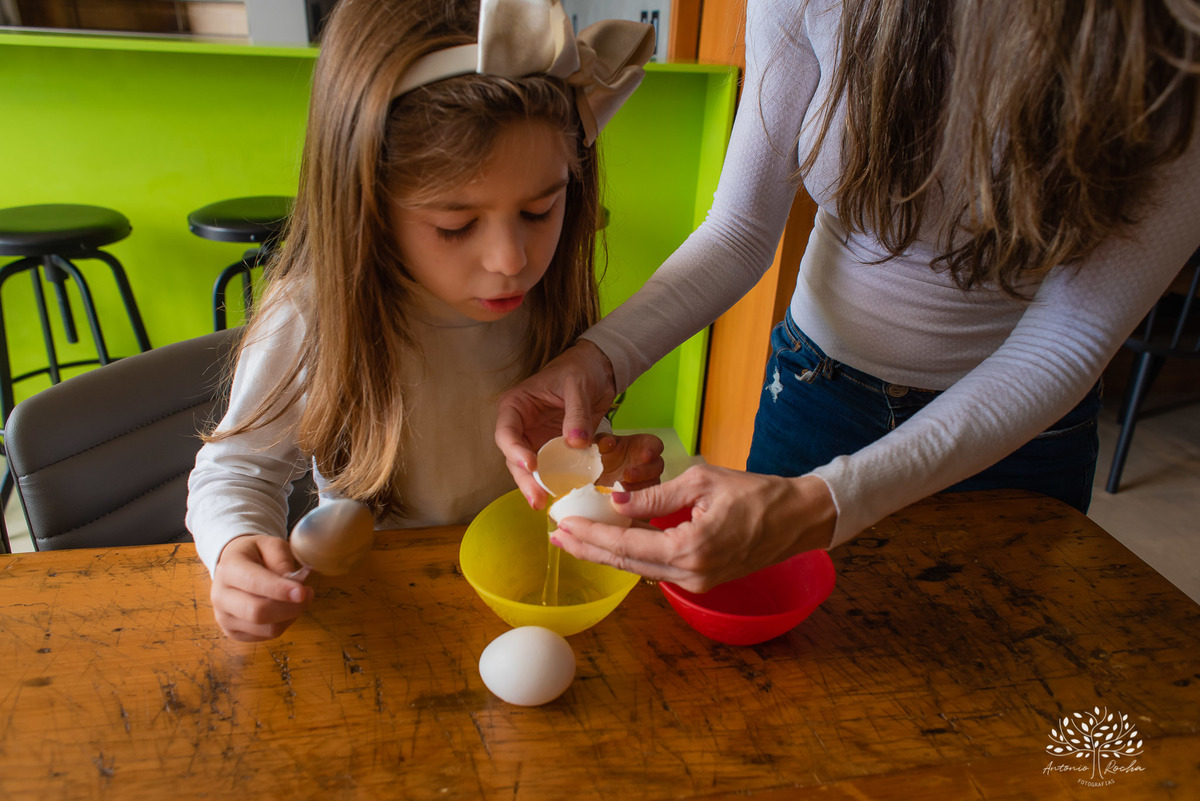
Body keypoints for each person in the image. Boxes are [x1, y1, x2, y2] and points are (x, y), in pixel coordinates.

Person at [495, 0, 1200, 593]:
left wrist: (824, 502)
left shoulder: (1172, 35)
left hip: (1018, 440)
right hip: (816, 395)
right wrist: (601, 358)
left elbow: (1066, 342)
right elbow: (740, 231)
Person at [187, 0, 662, 642]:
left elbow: (551, 449)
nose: (511, 262)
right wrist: (235, 548)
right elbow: (238, 470)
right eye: (455, 225)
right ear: (368, 204)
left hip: (514, 586)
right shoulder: (314, 314)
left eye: (539, 211)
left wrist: (598, 467)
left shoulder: (547, 295)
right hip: (389, 611)